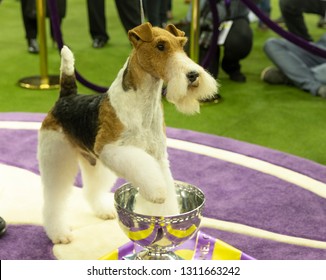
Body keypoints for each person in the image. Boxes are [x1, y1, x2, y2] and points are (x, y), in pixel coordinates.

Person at [187, 0, 260, 83]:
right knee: (206, 69)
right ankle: (207, 74)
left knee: (240, 40)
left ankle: (230, 65)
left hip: (236, 17)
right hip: (206, 18)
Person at [261, 34, 326, 97]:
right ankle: (299, 77)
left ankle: (292, 76)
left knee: (321, 75)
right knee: (272, 43)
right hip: (320, 49)